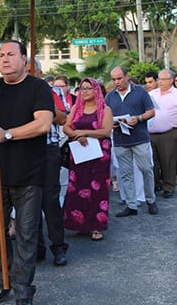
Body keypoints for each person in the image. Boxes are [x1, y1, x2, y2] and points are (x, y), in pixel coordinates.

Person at [0, 40, 54, 305]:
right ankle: (4, 277)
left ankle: (22, 287)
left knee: (27, 234)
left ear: (24, 59)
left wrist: (8, 134)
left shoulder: (38, 87)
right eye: (1, 55)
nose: (5, 59)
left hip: (29, 174)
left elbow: (43, 124)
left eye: (11, 54)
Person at [26, 58, 68, 266]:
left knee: (50, 200)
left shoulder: (53, 92)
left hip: (49, 149)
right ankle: (37, 247)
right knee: (30, 202)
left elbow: (62, 119)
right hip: (25, 151)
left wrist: (44, 102)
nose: (29, 74)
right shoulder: (18, 91)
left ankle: (59, 246)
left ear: (40, 73)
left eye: (32, 71)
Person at [62, 78, 113, 241]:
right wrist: (76, 135)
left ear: (96, 90)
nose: (84, 91)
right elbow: (66, 127)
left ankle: (97, 226)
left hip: (99, 157)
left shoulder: (105, 109)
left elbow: (105, 132)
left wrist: (84, 133)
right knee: (78, 188)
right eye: (82, 88)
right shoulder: (77, 108)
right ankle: (80, 224)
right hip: (79, 154)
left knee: (98, 189)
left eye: (88, 88)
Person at [105, 66, 158, 217]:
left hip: (140, 138)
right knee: (125, 174)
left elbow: (151, 111)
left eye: (119, 78)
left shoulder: (140, 91)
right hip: (121, 140)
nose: (116, 82)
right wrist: (112, 124)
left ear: (127, 76)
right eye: (114, 79)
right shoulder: (110, 96)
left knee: (147, 169)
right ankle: (131, 205)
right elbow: (106, 117)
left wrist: (139, 118)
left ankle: (150, 200)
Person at [148, 69, 177, 198]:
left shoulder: (176, 94)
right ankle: (156, 184)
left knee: (168, 161)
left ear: (171, 80)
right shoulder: (152, 94)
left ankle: (168, 187)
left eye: (163, 79)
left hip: (169, 133)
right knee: (152, 161)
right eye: (159, 79)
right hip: (150, 132)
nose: (160, 82)